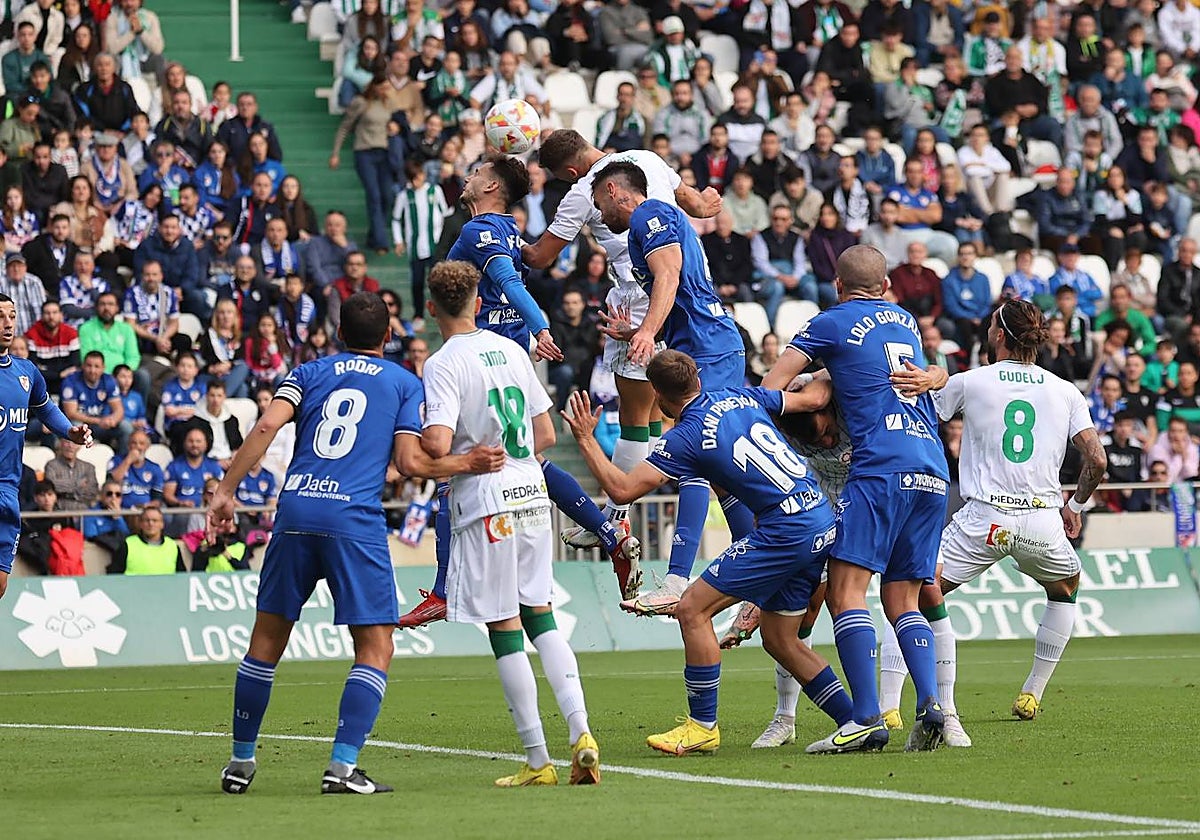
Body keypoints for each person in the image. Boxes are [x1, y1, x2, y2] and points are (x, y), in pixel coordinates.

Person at [208, 291, 501, 795]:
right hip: (354, 519)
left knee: (265, 643)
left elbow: (265, 426)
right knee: (375, 646)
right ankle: (341, 768)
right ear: (388, 337)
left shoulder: (308, 372)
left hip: (296, 509)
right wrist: (465, 463)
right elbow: (411, 463)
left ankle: (239, 763)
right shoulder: (405, 383)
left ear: (340, 333)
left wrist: (226, 491)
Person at [564, 350, 855, 755]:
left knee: (692, 610)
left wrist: (584, 438)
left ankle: (702, 727)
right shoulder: (744, 396)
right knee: (780, 639)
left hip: (784, 530)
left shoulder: (686, 436)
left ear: (659, 397)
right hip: (820, 517)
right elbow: (813, 399)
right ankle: (856, 722)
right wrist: (832, 367)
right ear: (697, 379)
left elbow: (622, 490)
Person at [399, 153, 641, 628]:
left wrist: (541, 326)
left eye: (478, 174)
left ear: (492, 188)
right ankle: (608, 533)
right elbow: (522, 265)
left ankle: (446, 590)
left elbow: (509, 280)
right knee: (529, 458)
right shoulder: (510, 229)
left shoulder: (479, 230)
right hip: (506, 354)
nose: (469, 177)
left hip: (481, 355)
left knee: (452, 465)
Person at [417, 261, 600, 786]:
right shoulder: (514, 350)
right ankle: (581, 731)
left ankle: (538, 759)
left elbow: (435, 444)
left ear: (432, 309)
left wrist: (437, 447)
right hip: (531, 495)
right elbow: (544, 435)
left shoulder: (443, 363)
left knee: (503, 626)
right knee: (541, 615)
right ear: (478, 301)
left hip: (486, 503)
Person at [763, 244, 951, 754]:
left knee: (847, 593)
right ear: (886, 286)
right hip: (932, 467)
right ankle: (931, 704)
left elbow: (773, 383)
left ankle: (865, 717)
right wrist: (936, 374)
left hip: (880, 466)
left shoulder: (828, 321)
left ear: (838, 286)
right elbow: (923, 377)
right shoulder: (906, 321)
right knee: (904, 599)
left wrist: (804, 386)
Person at [892, 300, 1107, 732]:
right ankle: (1032, 691)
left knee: (911, 594)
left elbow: (920, 420)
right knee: (1065, 586)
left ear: (999, 336)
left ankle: (891, 704)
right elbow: (1097, 460)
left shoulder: (971, 382)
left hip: (983, 519)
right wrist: (1075, 506)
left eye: (992, 323)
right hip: (1042, 520)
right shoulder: (1065, 390)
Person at [590, 160, 751, 615]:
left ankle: (678, 579)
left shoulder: (648, 214)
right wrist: (640, 329)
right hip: (705, 345)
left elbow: (669, 275)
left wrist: (645, 334)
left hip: (710, 348)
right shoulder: (648, 221)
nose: (598, 213)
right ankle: (757, 570)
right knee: (716, 470)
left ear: (614, 190)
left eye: (599, 201)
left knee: (695, 458)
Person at [0, 293, 92, 598]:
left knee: (0, 585)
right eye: (0, 317)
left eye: (12, 316)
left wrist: (70, 432)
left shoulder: (25, 372)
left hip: (9, 490)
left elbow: (46, 409)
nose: (7, 324)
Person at [392, 159, 448, 320]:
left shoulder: (434, 190)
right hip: (415, 245)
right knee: (417, 282)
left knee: (437, 280)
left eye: (419, 176)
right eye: (413, 178)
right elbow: (396, 219)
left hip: (435, 243)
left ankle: (442, 312)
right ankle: (418, 315)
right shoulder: (404, 196)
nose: (417, 181)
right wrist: (398, 240)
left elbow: (444, 212)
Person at [60, 349, 129, 453]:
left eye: (96, 366)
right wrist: (99, 421)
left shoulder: (109, 380)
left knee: (125, 426)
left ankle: (120, 462)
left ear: (103, 368)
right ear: (83, 366)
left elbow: (119, 410)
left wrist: (112, 420)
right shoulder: (70, 381)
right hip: (82, 424)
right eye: (89, 365)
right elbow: (71, 413)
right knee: (75, 425)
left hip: (100, 425)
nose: (92, 370)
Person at [25, 299, 80, 394]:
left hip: (65, 382)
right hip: (41, 383)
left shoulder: (71, 334)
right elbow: (33, 369)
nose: (51, 317)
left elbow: (74, 365)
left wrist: (47, 371)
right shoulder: (32, 334)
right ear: (41, 316)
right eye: (47, 313)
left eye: (55, 312)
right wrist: (59, 374)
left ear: (61, 315)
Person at [107, 506, 183, 574]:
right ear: (140, 524)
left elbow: (182, 577)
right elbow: (114, 576)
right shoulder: (127, 545)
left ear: (162, 524)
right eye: (147, 520)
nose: (151, 524)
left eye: (155, 520)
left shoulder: (173, 546)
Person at [108, 428, 162, 508]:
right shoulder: (116, 461)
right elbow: (111, 482)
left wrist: (145, 506)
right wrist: (128, 461)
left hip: (144, 512)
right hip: (119, 509)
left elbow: (157, 500)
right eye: (134, 443)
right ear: (128, 445)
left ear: (147, 447)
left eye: (141, 443)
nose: (138, 447)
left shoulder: (154, 468)